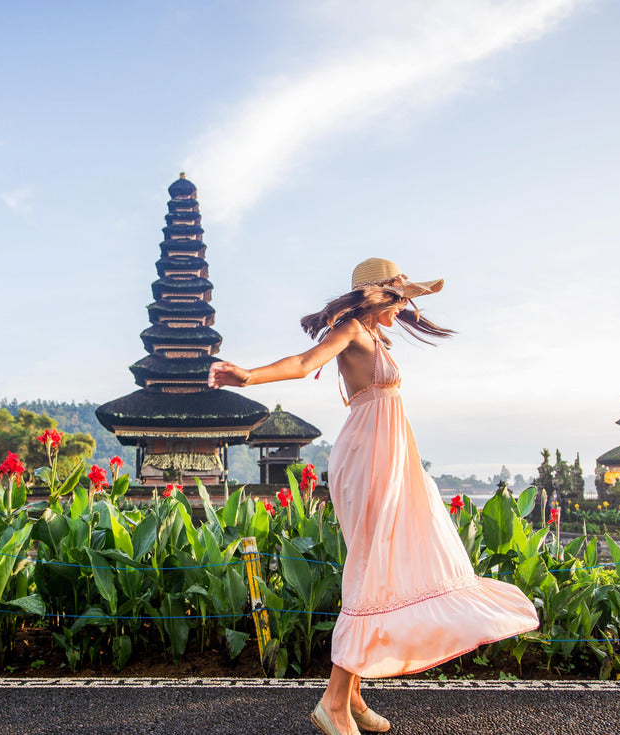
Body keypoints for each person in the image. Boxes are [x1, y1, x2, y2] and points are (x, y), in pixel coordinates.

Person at [208, 258, 539, 735]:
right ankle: (333, 704)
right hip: (368, 456)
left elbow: (389, 329)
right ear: (375, 296)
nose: (401, 308)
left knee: (379, 566)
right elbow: (304, 365)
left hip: (394, 457)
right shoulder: (349, 331)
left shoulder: (377, 336)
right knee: (372, 569)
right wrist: (248, 376)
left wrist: (409, 291)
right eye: (395, 298)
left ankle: (354, 697)